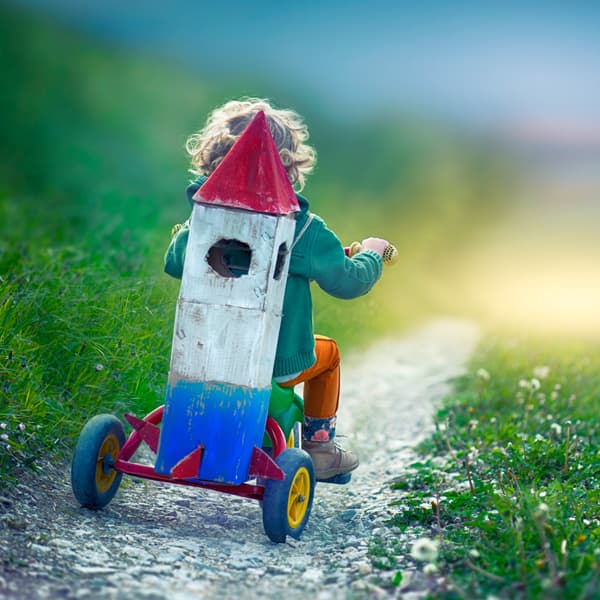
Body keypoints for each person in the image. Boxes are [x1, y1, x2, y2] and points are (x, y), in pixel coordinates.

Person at [164, 98, 388, 481]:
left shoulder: (204, 216)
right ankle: (319, 447)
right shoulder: (304, 229)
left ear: (215, 158)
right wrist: (372, 255)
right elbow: (349, 281)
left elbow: (174, 261)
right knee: (328, 354)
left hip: (205, 353)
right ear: (290, 166)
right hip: (275, 361)